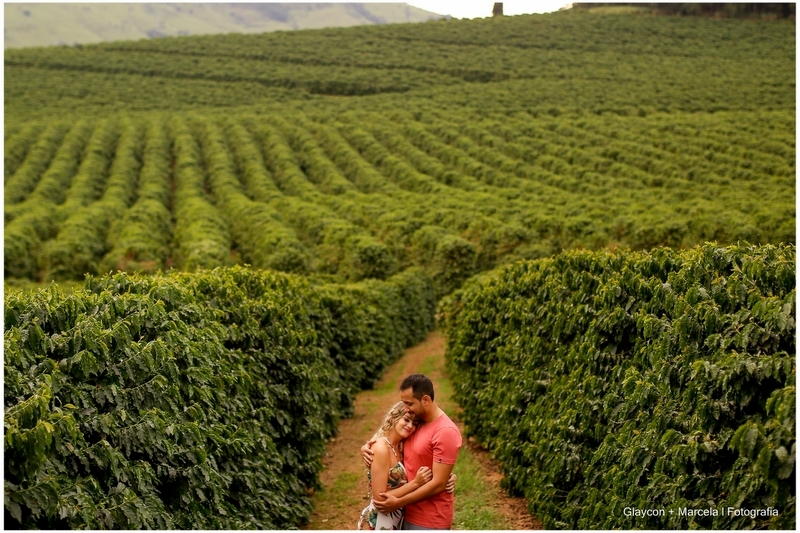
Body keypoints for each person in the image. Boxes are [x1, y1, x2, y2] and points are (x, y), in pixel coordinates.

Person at [361, 374, 462, 530]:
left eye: (409, 404)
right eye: (404, 404)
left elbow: (438, 483)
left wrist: (446, 479)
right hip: (404, 515)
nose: (406, 409)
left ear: (426, 400)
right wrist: (368, 447)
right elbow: (397, 451)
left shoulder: (445, 431)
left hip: (429, 519)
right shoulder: (417, 423)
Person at [357, 401, 433, 530]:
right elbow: (380, 498)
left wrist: (446, 478)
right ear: (394, 417)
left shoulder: (403, 446)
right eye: (406, 420)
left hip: (395, 518)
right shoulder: (381, 448)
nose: (410, 426)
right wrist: (415, 483)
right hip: (380, 521)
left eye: (414, 424)